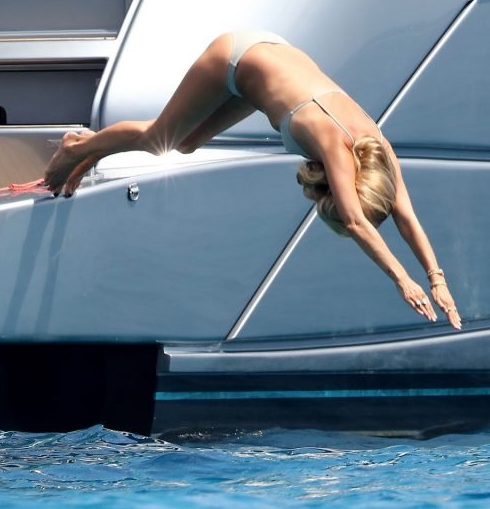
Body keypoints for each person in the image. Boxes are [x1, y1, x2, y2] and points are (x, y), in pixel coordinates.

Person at [44, 31, 462, 329]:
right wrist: (403, 280)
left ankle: (95, 150)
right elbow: (355, 222)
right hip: (235, 58)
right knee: (160, 139)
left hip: (268, 61)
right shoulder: (335, 142)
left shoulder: (378, 147)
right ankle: (76, 147)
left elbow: (406, 216)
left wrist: (437, 280)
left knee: (186, 144)